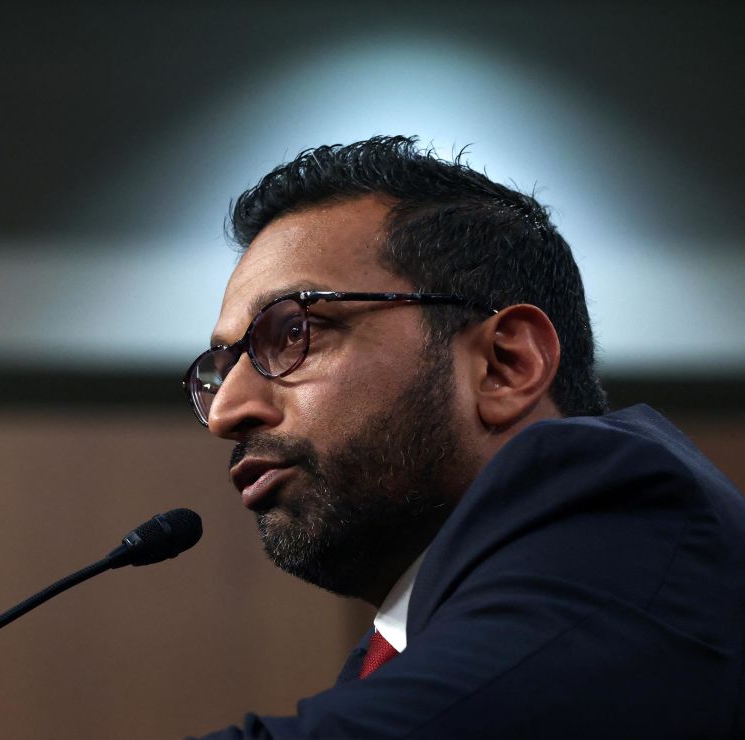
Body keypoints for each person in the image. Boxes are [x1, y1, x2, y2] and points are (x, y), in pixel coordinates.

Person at [181, 136, 745, 739]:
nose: (227, 414)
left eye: (293, 333)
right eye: (219, 373)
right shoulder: (406, 651)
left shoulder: (623, 512)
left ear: (505, 365)